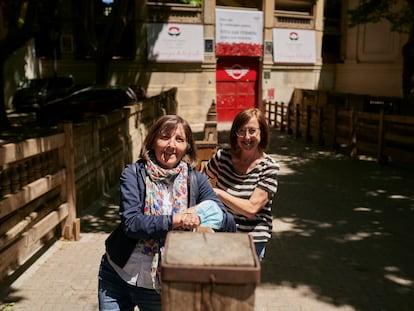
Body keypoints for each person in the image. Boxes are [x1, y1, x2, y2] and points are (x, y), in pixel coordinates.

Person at [98, 115, 236, 311]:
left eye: (179, 139)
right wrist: (176, 220)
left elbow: (228, 224)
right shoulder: (133, 174)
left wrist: (203, 215)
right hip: (116, 276)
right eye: (165, 137)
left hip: (162, 285)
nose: (171, 145)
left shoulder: (196, 180)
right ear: (153, 141)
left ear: (187, 146)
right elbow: (132, 223)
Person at [204, 108, 279, 261]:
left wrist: (217, 193)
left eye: (252, 131)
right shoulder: (222, 157)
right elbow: (200, 180)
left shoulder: (269, 167)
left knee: (238, 281)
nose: (246, 137)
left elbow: (251, 209)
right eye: (241, 131)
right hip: (222, 231)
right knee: (216, 280)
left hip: (252, 238)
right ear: (235, 133)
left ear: (262, 133)